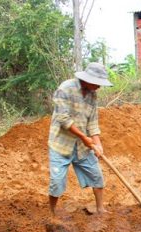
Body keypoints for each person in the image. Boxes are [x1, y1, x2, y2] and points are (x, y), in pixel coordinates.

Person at [48, 63, 113, 216]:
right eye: (97, 83)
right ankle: (52, 214)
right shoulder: (65, 89)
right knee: (56, 183)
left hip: (82, 147)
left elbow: (92, 122)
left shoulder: (92, 94)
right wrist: (84, 137)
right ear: (88, 79)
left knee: (97, 177)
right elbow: (63, 119)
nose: (99, 87)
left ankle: (100, 209)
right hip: (61, 145)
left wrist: (97, 143)